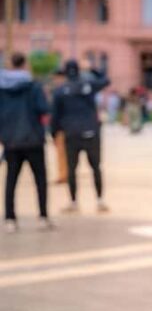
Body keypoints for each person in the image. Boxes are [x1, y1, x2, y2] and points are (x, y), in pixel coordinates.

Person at [0, 53, 53, 232]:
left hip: (11, 141)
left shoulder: (2, 88)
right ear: (24, 65)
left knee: (11, 180)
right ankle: (43, 217)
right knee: (40, 180)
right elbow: (43, 109)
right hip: (33, 140)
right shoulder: (34, 86)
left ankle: (9, 219)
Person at [51, 59, 111, 213]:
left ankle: (73, 202)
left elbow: (55, 116)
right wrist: (93, 68)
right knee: (95, 167)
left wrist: (54, 134)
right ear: (79, 70)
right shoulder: (88, 86)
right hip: (91, 132)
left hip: (71, 134)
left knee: (72, 169)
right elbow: (106, 80)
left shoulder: (60, 90)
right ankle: (100, 200)